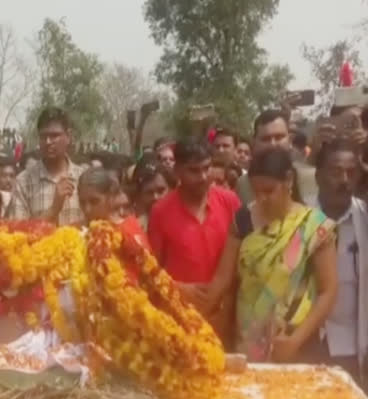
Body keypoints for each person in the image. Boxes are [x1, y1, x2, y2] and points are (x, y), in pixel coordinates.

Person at [206, 147, 337, 362]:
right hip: (247, 343)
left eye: (269, 191)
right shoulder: (243, 220)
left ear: (288, 181)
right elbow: (222, 281)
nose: (262, 199)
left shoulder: (314, 227)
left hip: (297, 345)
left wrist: (295, 340)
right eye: (256, 192)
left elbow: (328, 291)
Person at [148, 140, 241, 316]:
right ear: (177, 171)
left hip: (226, 313)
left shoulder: (230, 202)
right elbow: (151, 268)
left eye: (207, 168)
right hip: (182, 314)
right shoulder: (161, 211)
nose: (203, 176)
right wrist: (180, 288)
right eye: (194, 171)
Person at [307, 140, 368, 385]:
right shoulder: (300, 220)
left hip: (354, 345)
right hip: (310, 343)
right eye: (335, 172)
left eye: (351, 173)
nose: (344, 180)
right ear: (318, 176)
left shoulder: (365, 219)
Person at [9, 107, 83, 226]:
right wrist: (53, 209)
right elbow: (19, 233)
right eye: (43, 136)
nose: (48, 141)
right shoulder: (23, 181)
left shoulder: (83, 177)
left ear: (68, 137)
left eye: (54, 136)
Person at [236, 109, 318, 205]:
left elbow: (321, 217)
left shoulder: (311, 178)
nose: (273, 144)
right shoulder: (243, 185)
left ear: (289, 139)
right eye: (265, 139)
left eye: (279, 137)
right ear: (254, 143)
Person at [77, 167, 148, 248]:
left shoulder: (129, 232)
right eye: (82, 202)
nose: (87, 210)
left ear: (110, 197)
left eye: (94, 201)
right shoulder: (73, 233)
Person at [131, 161, 170, 231]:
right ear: (139, 195)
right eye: (149, 192)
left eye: (161, 191)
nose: (156, 197)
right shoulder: (134, 229)